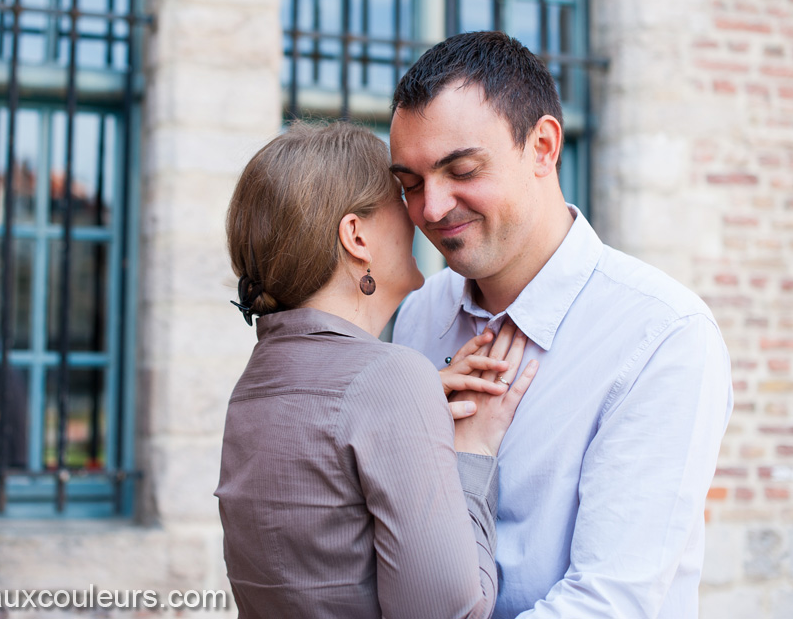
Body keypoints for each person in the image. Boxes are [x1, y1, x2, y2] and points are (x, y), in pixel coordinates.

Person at [388, 31, 734, 619]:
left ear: (544, 147)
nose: (432, 208)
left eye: (462, 169)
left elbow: (608, 603)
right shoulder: (420, 315)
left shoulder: (663, 335)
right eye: (411, 184)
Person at [215, 121, 538, 619]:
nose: (422, 214)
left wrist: (419, 400)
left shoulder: (254, 384)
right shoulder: (389, 379)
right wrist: (471, 451)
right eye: (403, 193)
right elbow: (449, 613)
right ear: (356, 236)